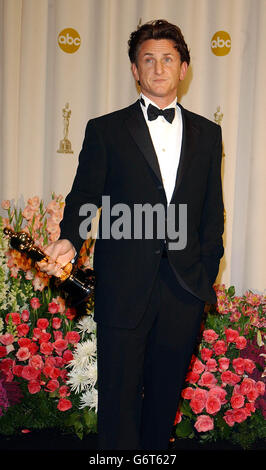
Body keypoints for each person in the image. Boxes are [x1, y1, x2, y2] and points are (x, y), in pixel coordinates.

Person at [39, 19, 224, 450]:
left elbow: (211, 212)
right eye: (148, 60)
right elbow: (85, 194)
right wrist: (70, 237)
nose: (158, 68)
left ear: (183, 68)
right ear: (135, 71)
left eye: (168, 59)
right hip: (123, 285)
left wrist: (206, 271)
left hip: (184, 287)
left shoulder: (209, 134)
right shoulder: (105, 129)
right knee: (119, 400)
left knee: (164, 400)